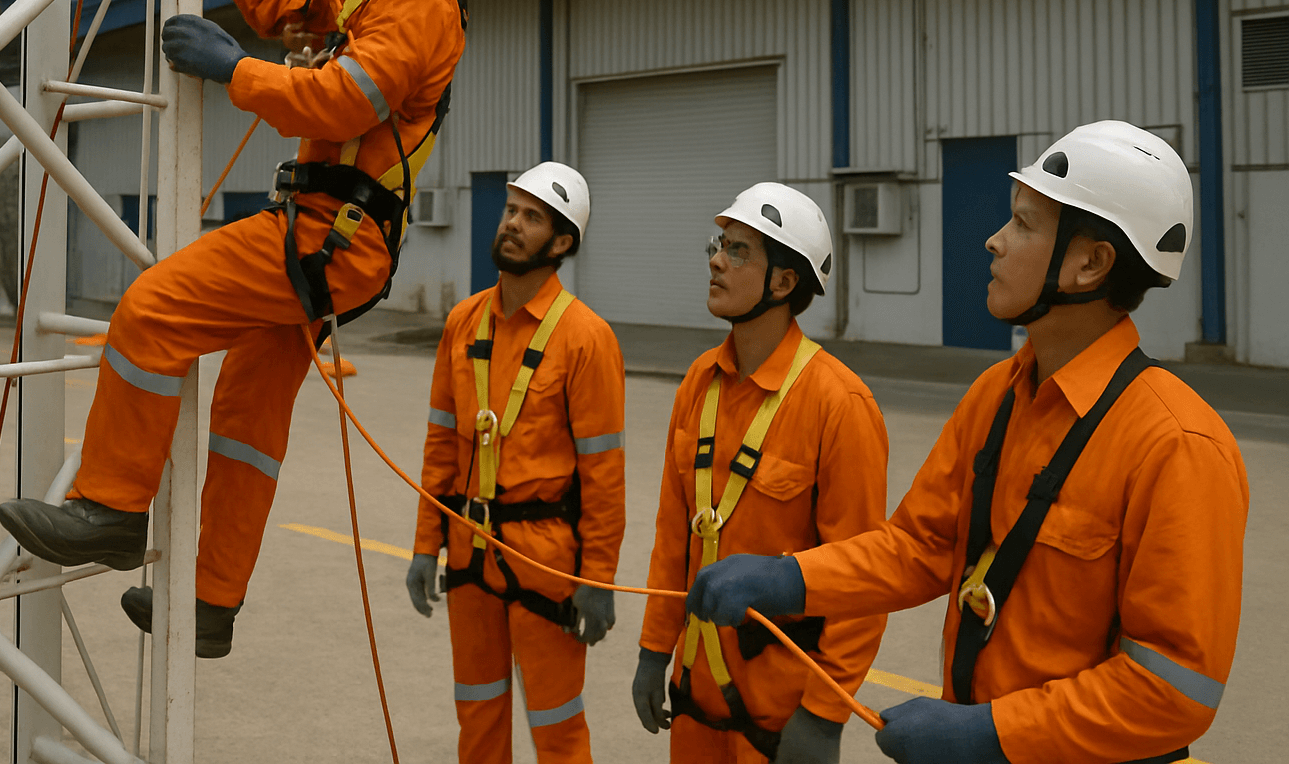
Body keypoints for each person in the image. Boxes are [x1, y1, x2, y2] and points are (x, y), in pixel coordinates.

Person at [0, 0, 467, 658]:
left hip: (333, 235)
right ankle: (214, 600)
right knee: (248, 417)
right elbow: (276, 1)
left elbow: (346, 97)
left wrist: (233, 71)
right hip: (335, 240)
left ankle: (109, 508)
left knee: (151, 310)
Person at [687, 122, 1250, 764]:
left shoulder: (1177, 444)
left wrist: (991, 734)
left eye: (1024, 224)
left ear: (1091, 263)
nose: (995, 240)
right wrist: (789, 577)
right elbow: (919, 547)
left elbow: (1173, 690)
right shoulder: (998, 395)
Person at [632, 183, 889, 764]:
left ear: (783, 282)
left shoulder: (838, 403)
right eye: (719, 245)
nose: (716, 260)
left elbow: (864, 580)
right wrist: (654, 651)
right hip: (694, 697)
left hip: (778, 717)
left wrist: (825, 714)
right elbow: (675, 535)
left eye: (739, 250)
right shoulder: (700, 381)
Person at [406, 162, 626, 764]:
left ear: (561, 243)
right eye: (510, 210)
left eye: (531, 217)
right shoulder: (463, 322)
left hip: (545, 560)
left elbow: (604, 475)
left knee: (556, 727)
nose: (511, 224)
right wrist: (427, 545)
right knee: (477, 714)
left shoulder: (586, 338)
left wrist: (598, 581)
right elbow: (441, 448)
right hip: (468, 547)